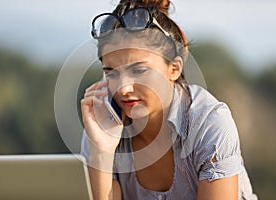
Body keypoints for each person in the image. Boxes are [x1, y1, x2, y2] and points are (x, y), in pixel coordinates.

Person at [81, 0, 257, 199]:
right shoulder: (101, 126)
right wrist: (102, 152)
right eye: (111, 73)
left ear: (174, 69)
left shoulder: (208, 123)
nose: (124, 88)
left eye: (139, 70)